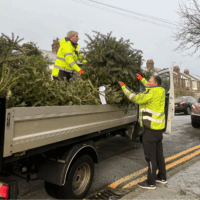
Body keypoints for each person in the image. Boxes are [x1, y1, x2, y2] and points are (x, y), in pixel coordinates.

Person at [118, 74, 167, 190]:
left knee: (150, 157)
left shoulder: (150, 94)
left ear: (154, 83)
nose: (148, 83)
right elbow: (149, 87)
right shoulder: (160, 90)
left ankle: (151, 183)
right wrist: (142, 80)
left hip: (150, 131)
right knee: (159, 155)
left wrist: (124, 87)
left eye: (150, 81)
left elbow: (135, 98)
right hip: (158, 130)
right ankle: (162, 177)